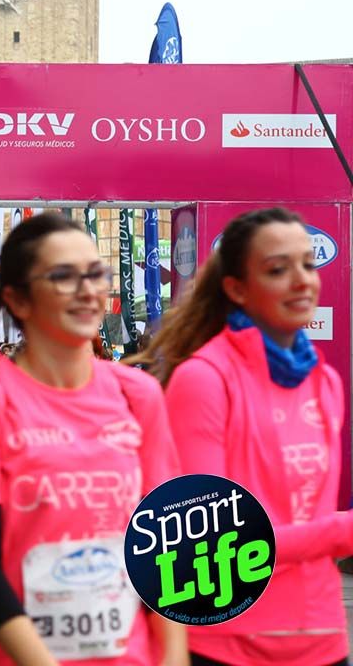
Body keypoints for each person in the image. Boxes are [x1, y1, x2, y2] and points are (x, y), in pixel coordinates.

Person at [0, 212, 185, 666]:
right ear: (18, 300)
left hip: (120, 652)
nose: (88, 289)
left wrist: (175, 655)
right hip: (0, 652)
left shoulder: (137, 393)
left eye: (95, 274)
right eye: (63, 276)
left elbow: (166, 544)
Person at [135, 207, 350, 666]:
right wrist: (341, 532)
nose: (301, 280)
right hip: (230, 646)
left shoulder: (323, 381)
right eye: (277, 269)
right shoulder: (204, 379)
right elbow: (210, 540)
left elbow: (311, 511)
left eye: (308, 264)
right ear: (236, 288)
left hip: (324, 640)